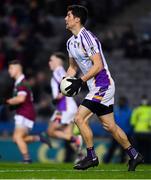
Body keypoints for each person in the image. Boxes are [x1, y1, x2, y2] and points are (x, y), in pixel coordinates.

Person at [64, 5, 144, 171]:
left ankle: (91, 156)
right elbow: (72, 67)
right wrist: (65, 81)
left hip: (103, 85)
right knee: (110, 127)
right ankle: (135, 155)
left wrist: (81, 81)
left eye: (68, 15)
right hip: (95, 86)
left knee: (79, 118)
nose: (66, 18)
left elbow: (98, 65)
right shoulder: (70, 42)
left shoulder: (87, 38)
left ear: (77, 19)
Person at [40, 52, 83, 162]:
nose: (49, 62)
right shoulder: (60, 71)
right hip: (68, 106)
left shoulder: (58, 71)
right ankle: (81, 156)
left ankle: (76, 139)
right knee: (67, 134)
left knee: (50, 131)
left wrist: (58, 96)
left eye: (51, 60)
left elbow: (65, 84)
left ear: (57, 61)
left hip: (64, 107)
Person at [6, 60, 50, 163]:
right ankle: (39, 137)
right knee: (16, 139)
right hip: (25, 113)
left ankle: (27, 159)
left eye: (11, 68)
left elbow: (21, 99)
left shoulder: (22, 83)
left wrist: (7, 101)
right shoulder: (20, 82)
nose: (9, 71)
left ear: (17, 69)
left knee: (17, 137)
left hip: (24, 113)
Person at [103, 96, 133, 163]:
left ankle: (122, 163)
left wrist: (129, 132)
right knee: (112, 149)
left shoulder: (129, 111)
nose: (120, 102)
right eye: (120, 101)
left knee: (124, 150)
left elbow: (131, 123)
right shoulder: (116, 110)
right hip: (116, 133)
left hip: (126, 134)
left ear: (125, 102)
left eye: (122, 101)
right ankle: (106, 162)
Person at [131, 95, 151, 164]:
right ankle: (148, 162)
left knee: (138, 148)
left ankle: (139, 161)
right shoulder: (150, 110)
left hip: (138, 132)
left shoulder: (137, 109)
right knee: (147, 149)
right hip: (147, 132)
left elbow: (132, 122)